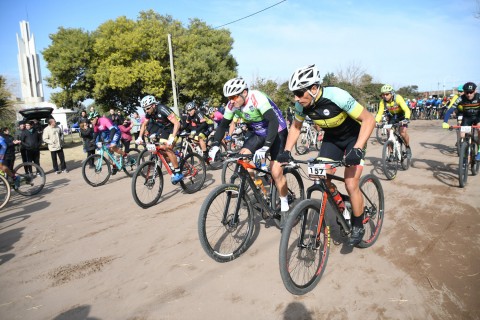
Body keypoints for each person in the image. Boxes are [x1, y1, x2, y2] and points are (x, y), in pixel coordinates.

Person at [277, 64, 375, 246]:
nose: (296, 98)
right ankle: (343, 209)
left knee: (351, 183)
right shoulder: (301, 105)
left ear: (314, 89)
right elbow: (296, 127)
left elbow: (369, 119)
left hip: (354, 138)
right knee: (322, 179)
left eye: (299, 93)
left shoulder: (337, 96)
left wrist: (358, 148)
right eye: (294, 94)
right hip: (332, 140)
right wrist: (286, 151)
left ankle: (358, 223)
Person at [208, 77, 291, 220]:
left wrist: (266, 147)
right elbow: (223, 125)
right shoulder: (231, 105)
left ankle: (285, 206)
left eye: (234, 97)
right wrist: (215, 144)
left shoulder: (256, 98)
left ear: (244, 92)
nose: (231, 101)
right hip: (258, 132)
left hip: (276, 131)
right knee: (243, 158)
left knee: (276, 171)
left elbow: (273, 121)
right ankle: (261, 192)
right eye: (229, 97)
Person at [135, 95, 183, 184]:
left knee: (168, 148)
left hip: (176, 126)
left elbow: (176, 123)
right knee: (161, 149)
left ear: (153, 105)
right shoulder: (149, 113)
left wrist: (172, 138)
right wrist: (139, 137)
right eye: (145, 109)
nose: (146, 110)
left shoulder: (162, 109)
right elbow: (144, 124)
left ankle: (178, 172)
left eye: (148, 108)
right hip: (166, 128)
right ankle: (175, 158)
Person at [443, 82, 480, 160]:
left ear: (475, 91)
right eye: (467, 92)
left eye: (471, 92)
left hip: (478, 117)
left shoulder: (478, 97)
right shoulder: (461, 98)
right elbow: (450, 110)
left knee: (479, 129)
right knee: (462, 135)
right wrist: (445, 122)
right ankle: (465, 150)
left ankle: (479, 151)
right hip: (467, 118)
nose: (469, 94)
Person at [89, 111, 133, 175]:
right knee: (109, 152)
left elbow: (112, 130)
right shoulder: (95, 125)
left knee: (112, 146)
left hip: (115, 132)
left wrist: (110, 139)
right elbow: (96, 133)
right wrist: (93, 140)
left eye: (92, 119)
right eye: (90, 120)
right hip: (108, 135)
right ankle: (114, 167)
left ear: (96, 117)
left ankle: (125, 155)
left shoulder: (104, 120)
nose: (91, 121)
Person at [375, 84, 412, 158]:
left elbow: (406, 109)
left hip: (402, 116)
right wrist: (375, 122)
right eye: (383, 95)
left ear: (391, 93)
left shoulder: (398, 98)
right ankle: (391, 153)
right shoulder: (383, 102)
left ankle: (407, 147)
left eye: (387, 94)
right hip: (392, 117)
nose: (385, 96)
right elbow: (379, 113)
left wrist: (407, 119)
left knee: (402, 132)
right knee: (389, 133)